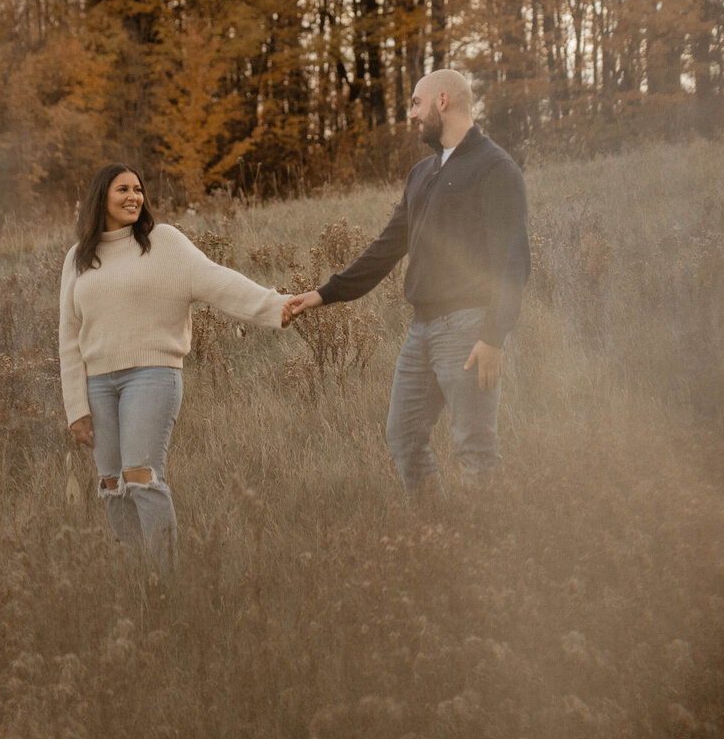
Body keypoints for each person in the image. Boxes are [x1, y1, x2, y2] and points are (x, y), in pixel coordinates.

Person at [285, 70, 530, 501]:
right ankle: (433, 533)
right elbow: (387, 247)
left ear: (441, 101)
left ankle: (492, 544)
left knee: (475, 447)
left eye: (415, 103)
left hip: (467, 329)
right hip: (421, 331)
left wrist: (494, 336)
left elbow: (513, 259)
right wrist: (324, 293)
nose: (411, 114)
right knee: (403, 436)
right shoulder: (422, 173)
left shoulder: (496, 168)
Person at [60, 162, 290, 562]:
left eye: (138, 189)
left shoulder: (163, 242)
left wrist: (276, 306)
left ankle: (164, 578)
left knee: (141, 476)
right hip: (96, 384)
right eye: (122, 190)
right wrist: (75, 407)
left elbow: (217, 279)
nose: (134, 196)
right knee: (112, 482)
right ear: (102, 197)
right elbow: (67, 335)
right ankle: (137, 575)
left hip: (151, 376)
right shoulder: (78, 258)